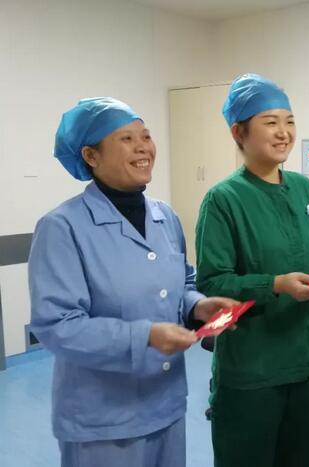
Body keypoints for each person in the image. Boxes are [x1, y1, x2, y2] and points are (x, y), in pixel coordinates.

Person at [29, 97, 237, 467]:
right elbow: (56, 326)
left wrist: (197, 306)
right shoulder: (62, 228)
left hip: (167, 404)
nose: (143, 147)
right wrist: (145, 336)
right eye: (126, 139)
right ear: (91, 156)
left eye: (146, 136)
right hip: (103, 420)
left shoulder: (165, 217)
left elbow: (182, 282)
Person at [195, 73, 309, 467]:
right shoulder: (224, 199)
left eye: (289, 121)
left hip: (302, 358)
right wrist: (275, 285)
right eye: (270, 122)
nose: (284, 132)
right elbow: (213, 282)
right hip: (252, 369)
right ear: (239, 132)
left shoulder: (303, 189)